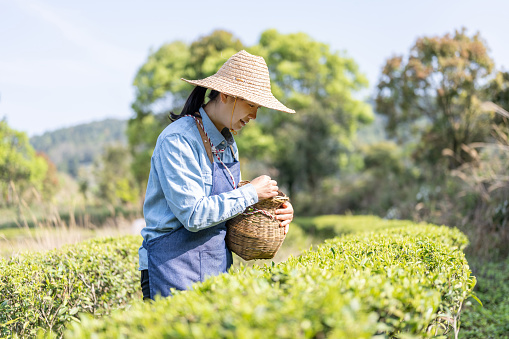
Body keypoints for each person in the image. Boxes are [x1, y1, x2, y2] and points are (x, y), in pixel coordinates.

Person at [139, 50, 295, 300]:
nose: (254, 116)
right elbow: (193, 214)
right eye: (251, 105)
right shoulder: (179, 140)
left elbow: (230, 210)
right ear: (226, 95)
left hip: (215, 268)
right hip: (172, 268)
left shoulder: (227, 142)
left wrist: (273, 212)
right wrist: (251, 192)